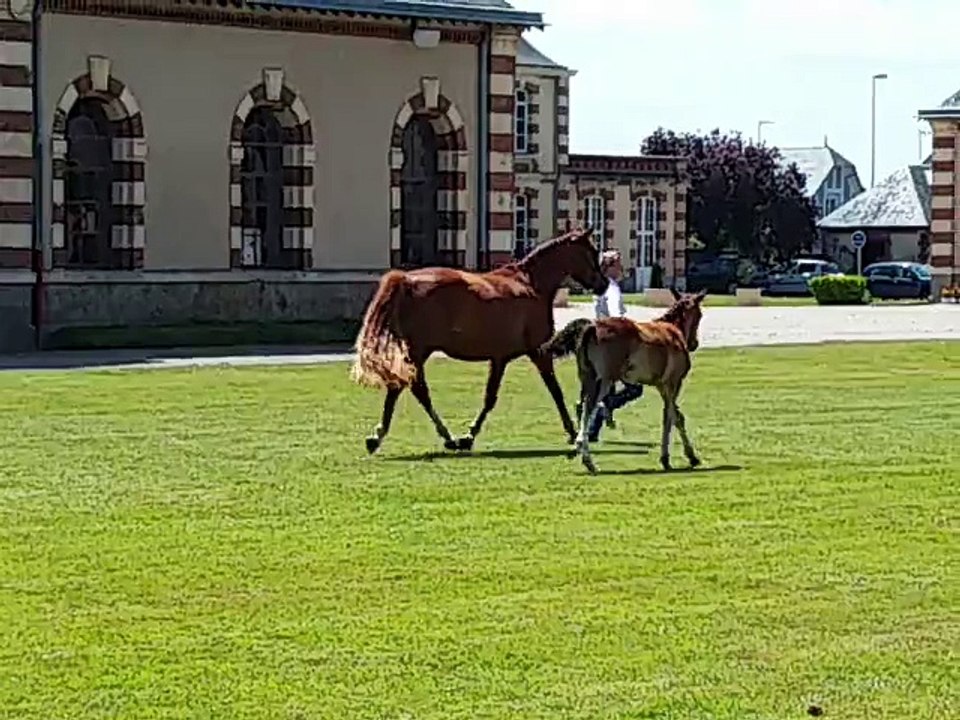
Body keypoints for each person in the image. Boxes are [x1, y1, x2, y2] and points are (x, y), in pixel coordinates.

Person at [588, 249, 644, 441]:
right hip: (613, 341)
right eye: (618, 264)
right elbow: (615, 316)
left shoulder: (600, 287)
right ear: (610, 267)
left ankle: (592, 431)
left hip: (598, 339)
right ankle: (607, 408)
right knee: (635, 388)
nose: (621, 268)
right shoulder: (612, 288)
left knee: (605, 387)